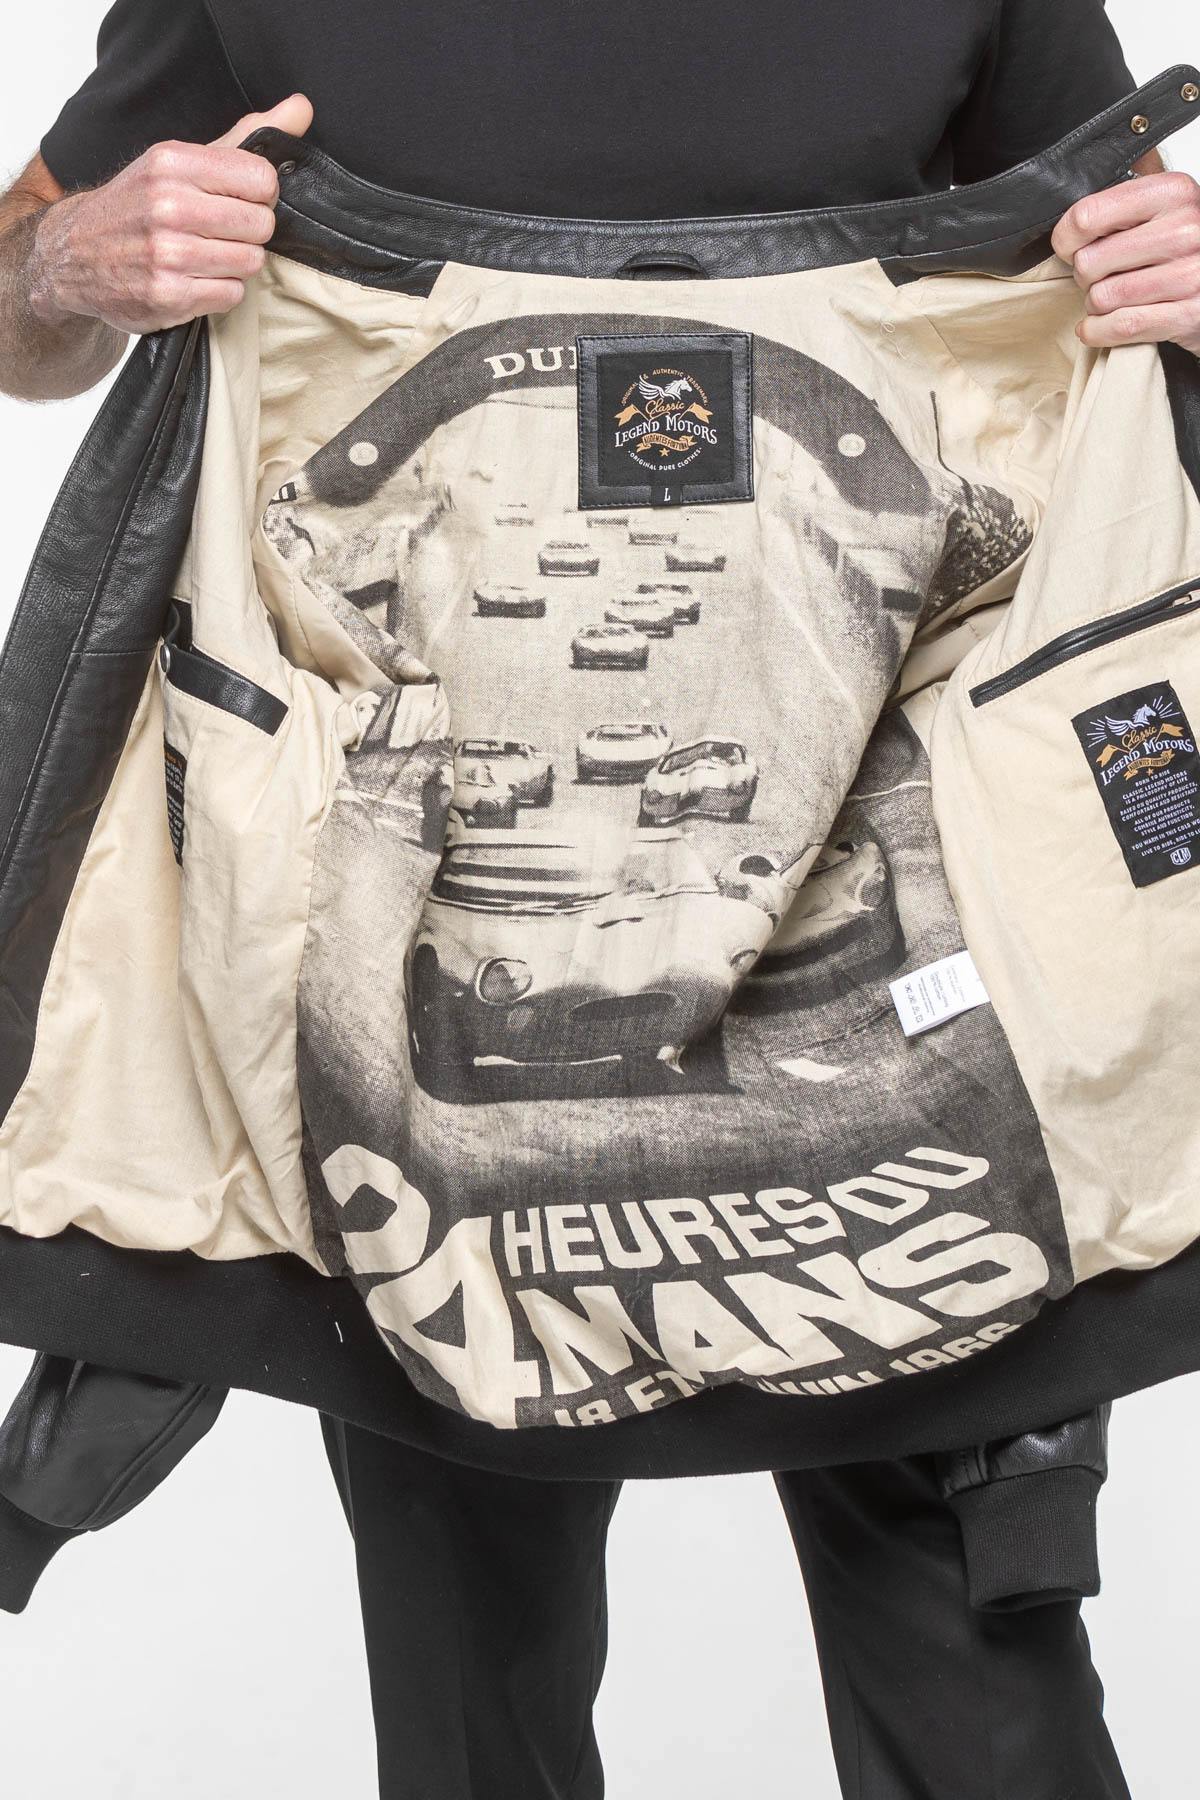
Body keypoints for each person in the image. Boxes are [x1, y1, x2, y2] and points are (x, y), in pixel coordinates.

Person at [0, 5, 1197, 1798]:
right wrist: (69, 262)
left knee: (981, 1700)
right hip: (422, 968)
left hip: (883, 931)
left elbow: (1126, 253)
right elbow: (22, 287)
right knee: (474, 1697)